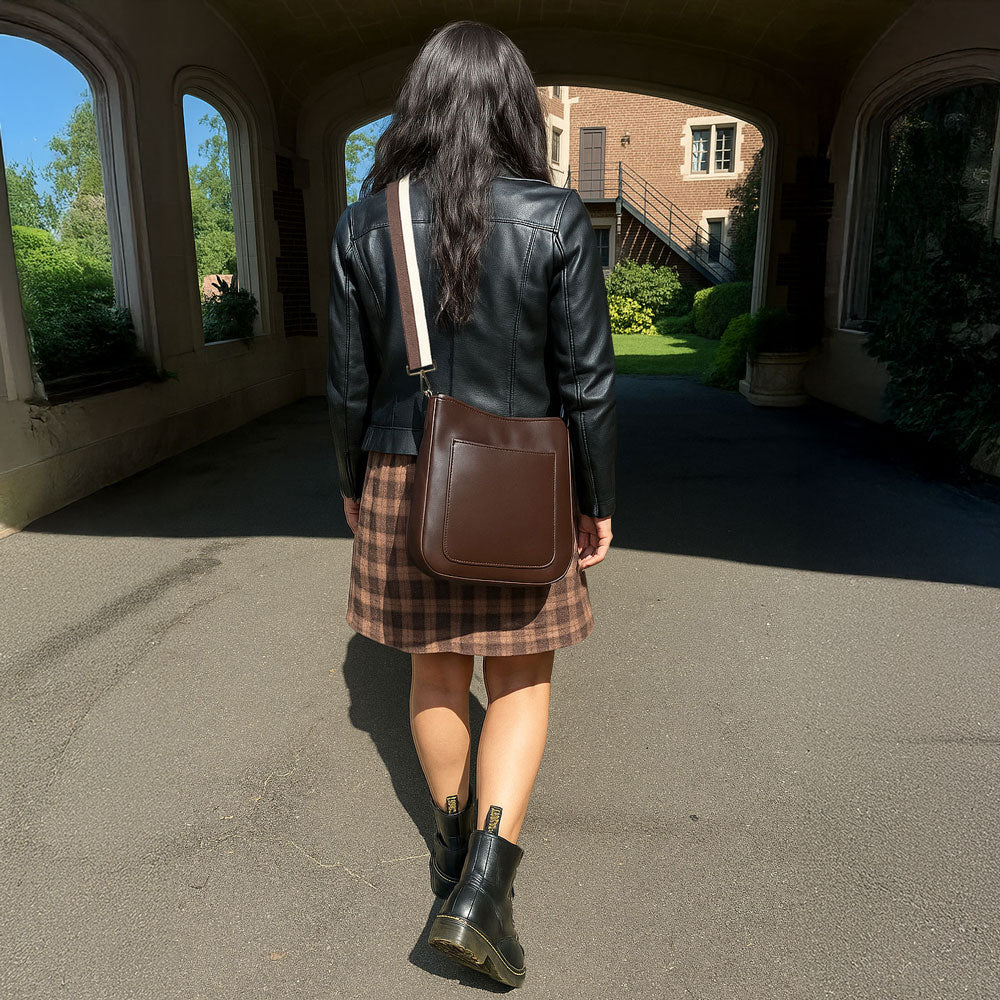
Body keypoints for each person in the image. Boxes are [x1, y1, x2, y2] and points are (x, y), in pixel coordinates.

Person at [327, 19, 616, 988]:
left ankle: (455, 863)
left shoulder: (364, 223)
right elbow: (588, 383)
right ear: (513, 108)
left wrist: (352, 483)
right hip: (525, 484)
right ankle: (483, 894)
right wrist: (597, 498)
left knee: (436, 676)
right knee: (521, 682)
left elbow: (345, 384)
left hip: (404, 475)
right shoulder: (555, 217)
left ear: (418, 105)